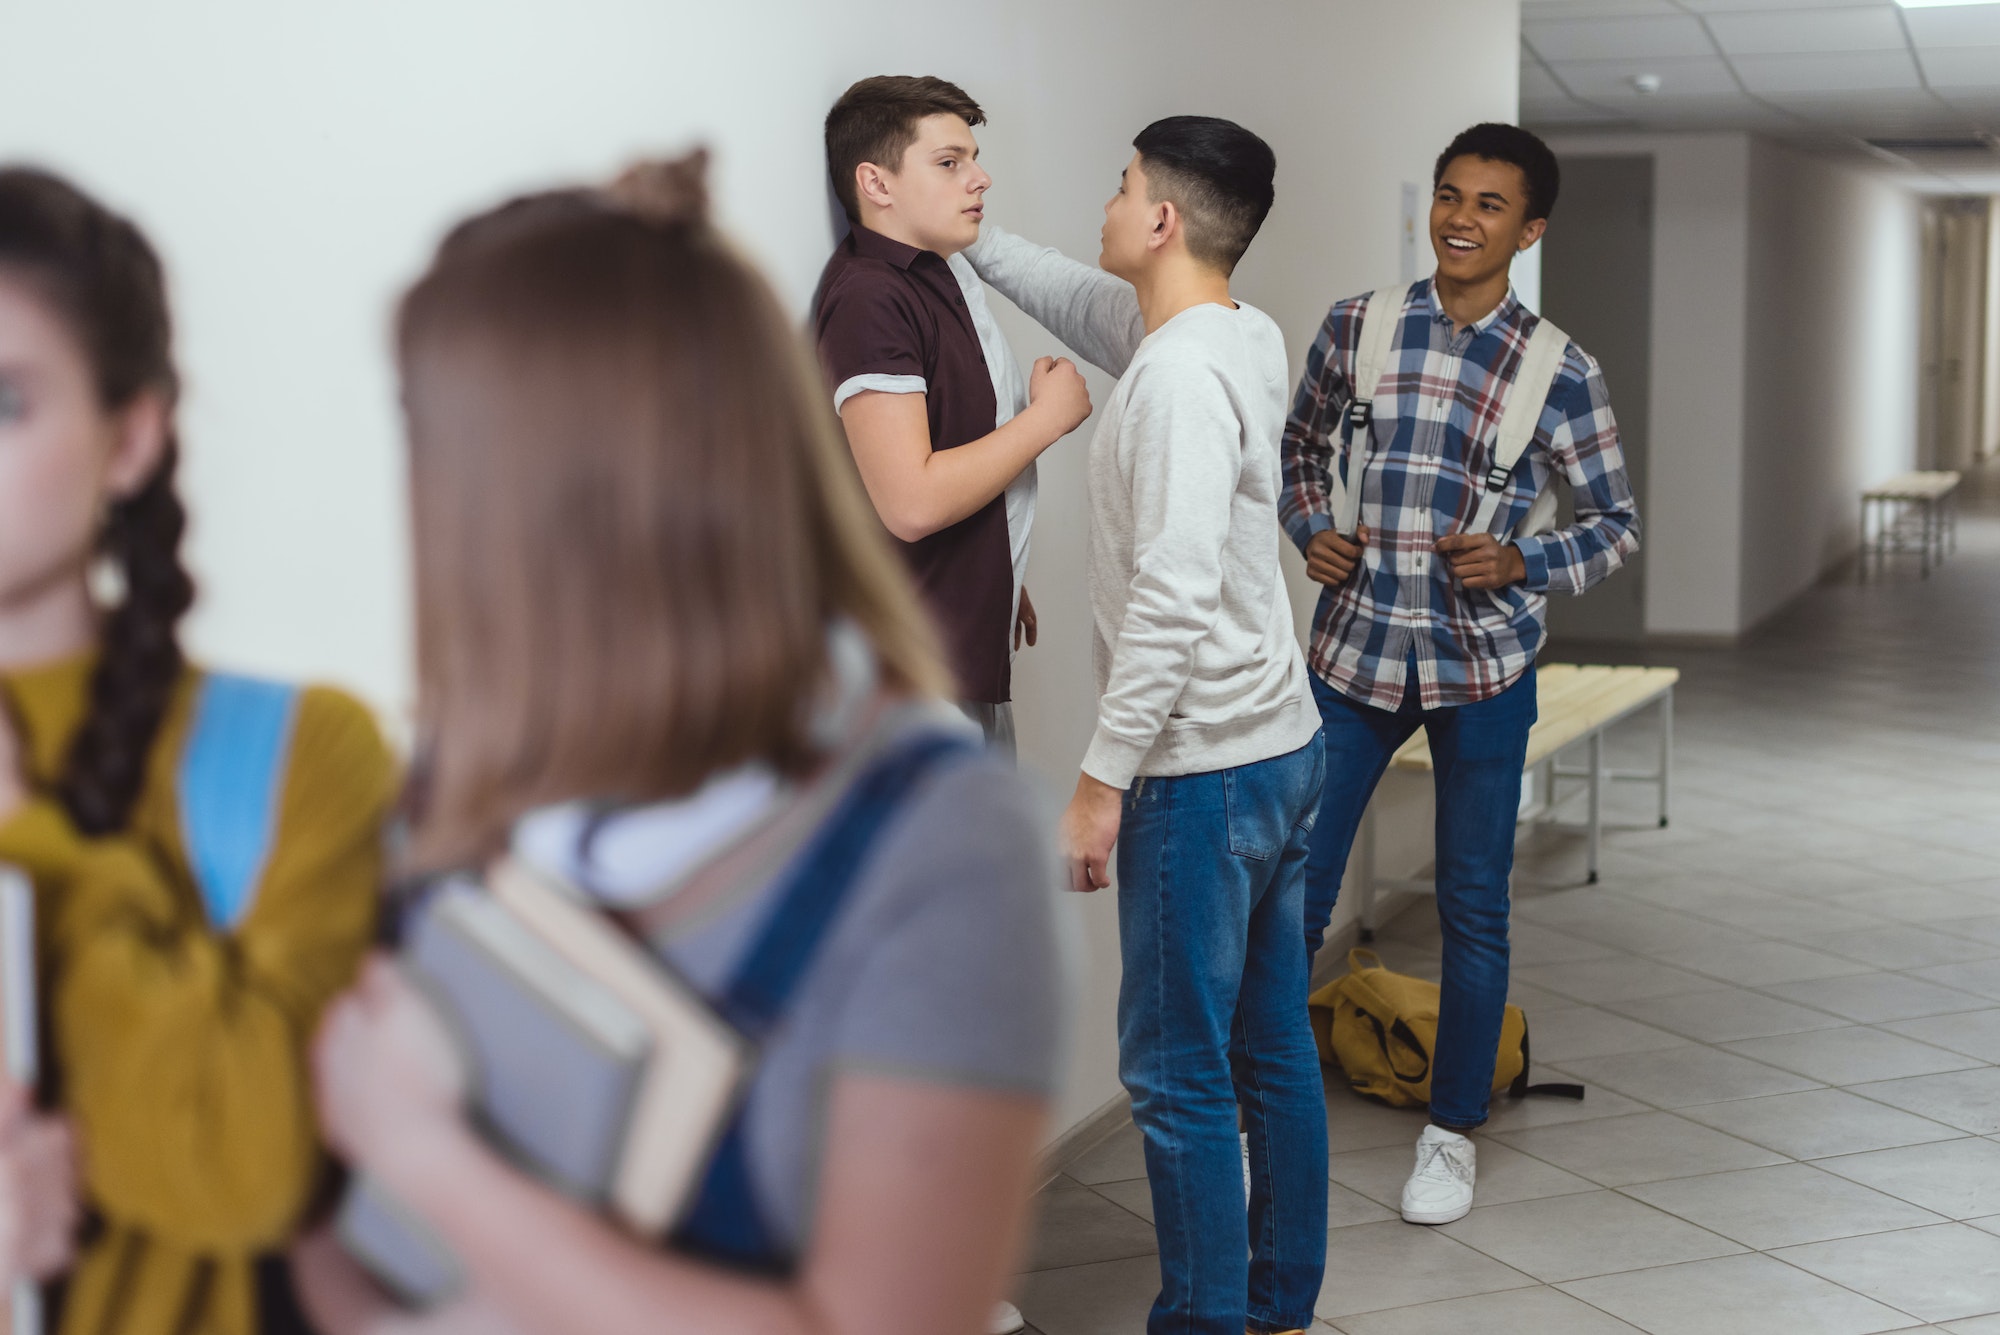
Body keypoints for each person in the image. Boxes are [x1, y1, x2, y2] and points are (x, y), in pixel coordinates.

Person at [291, 152, 1065, 1335]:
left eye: (438, 435)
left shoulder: (941, 845)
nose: (421, 491)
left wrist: (429, 1160)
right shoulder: (452, 782)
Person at [0, 166, 398, 1334]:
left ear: (131, 440)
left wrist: (27, 830)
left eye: (1, 403)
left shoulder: (296, 754)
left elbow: (240, 1169)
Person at [963, 118, 1325, 1335]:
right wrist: (977, 240)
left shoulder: (1172, 381)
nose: (1106, 205)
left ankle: (1205, 1322)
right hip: (1280, 749)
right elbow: (1085, 302)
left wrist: (1097, 779)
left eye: (1120, 187)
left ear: (1162, 220)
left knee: (1174, 1079)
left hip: (1204, 775)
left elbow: (1169, 594)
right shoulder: (1232, 335)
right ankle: (1274, 1307)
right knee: (1268, 1050)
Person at [1279, 123, 1640, 1225]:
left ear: (1526, 231)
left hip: (1481, 669)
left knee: (1472, 905)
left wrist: (1525, 558)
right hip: (1351, 655)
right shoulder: (1359, 325)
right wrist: (1309, 528)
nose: (1458, 218)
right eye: (1447, 195)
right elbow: (1295, 450)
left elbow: (1615, 523)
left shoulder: (1559, 370)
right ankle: (1258, 1110)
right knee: (1290, 891)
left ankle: (1450, 1132)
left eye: (1488, 205)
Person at [815, 75, 1093, 751]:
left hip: (956, 649)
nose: (981, 179)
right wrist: (1046, 420)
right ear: (876, 184)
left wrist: (997, 564)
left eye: (972, 158)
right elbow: (910, 500)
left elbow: (947, 443)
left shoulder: (937, 271)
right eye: (949, 163)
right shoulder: (869, 298)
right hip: (913, 686)